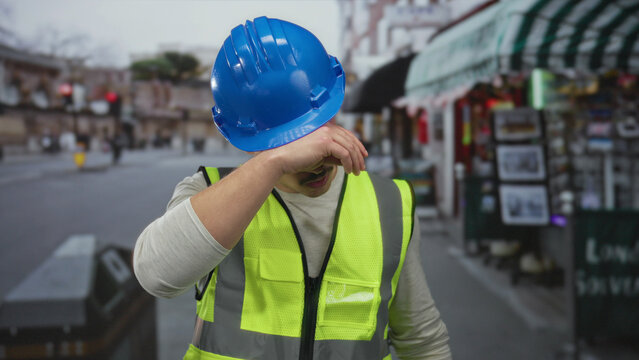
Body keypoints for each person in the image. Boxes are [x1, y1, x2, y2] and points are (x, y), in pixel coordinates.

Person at [133, 16, 451, 360]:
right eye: (285, 141)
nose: (312, 161)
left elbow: (421, 338)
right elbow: (157, 276)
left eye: (317, 125)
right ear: (249, 142)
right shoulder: (209, 192)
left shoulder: (390, 204)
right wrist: (273, 163)